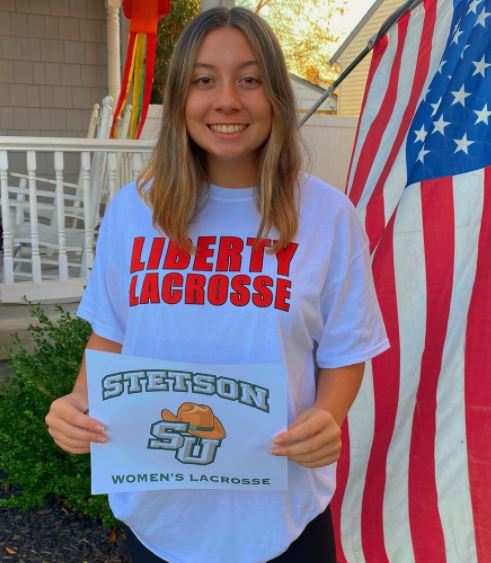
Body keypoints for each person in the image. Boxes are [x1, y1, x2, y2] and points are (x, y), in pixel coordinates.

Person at [45, 7, 389, 563]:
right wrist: (77, 404)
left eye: (249, 79)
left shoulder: (328, 215)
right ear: (181, 96)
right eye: (204, 80)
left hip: (282, 515)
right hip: (159, 514)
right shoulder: (135, 210)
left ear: (276, 96)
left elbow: (345, 349)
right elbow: (111, 332)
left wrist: (329, 415)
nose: (227, 100)